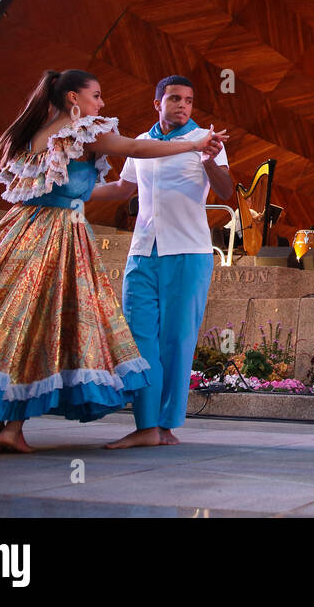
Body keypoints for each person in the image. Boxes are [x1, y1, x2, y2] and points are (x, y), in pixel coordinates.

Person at [0, 69, 226, 453]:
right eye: (96, 94)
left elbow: (69, 185)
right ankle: (17, 427)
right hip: (59, 236)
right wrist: (193, 146)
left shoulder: (33, 134)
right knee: (40, 326)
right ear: (74, 98)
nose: (102, 103)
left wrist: (196, 152)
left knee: (6, 324)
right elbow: (137, 151)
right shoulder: (87, 131)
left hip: (18, 233)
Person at [89, 75, 232, 450]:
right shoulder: (142, 143)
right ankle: (146, 425)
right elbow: (124, 189)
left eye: (188, 99)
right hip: (143, 252)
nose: (182, 105)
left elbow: (226, 191)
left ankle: (165, 426)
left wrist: (209, 159)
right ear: (158, 104)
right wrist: (75, 192)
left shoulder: (206, 139)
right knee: (138, 338)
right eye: (174, 98)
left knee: (178, 339)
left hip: (189, 251)